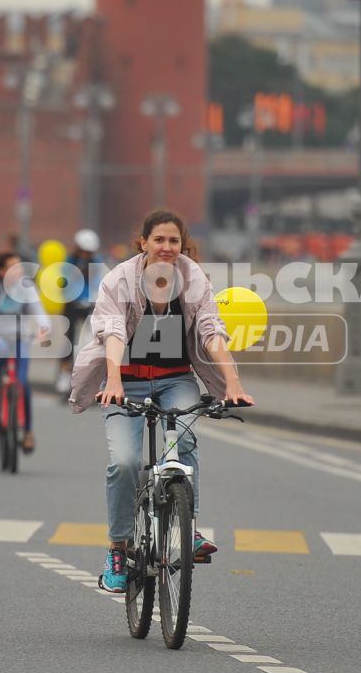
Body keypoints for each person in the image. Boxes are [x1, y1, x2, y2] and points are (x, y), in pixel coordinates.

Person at [69, 209, 255, 593]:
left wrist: (233, 382)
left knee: (184, 442)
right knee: (125, 462)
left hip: (175, 380)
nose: (167, 247)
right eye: (159, 240)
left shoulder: (193, 279)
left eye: (174, 241)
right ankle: (118, 549)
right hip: (128, 383)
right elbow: (113, 330)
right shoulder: (120, 279)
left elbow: (210, 329)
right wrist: (115, 380)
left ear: (181, 245)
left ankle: (188, 529)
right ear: (144, 244)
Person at [0, 251, 52, 454]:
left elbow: (41, 314)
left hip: (20, 338)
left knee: (23, 383)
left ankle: (27, 432)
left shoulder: (27, 289)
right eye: (13, 267)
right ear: (1, 271)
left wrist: (43, 330)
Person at [56, 228, 101, 396]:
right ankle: (64, 372)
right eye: (83, 251)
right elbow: (63, 282)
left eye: (89, 252)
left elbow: (100, 282)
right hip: (72, 303)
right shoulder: (70, 262)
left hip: (90, 304)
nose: (86, 255)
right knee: (69, 338)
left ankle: (93, 377)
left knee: (93, 340)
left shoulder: (96, 262)